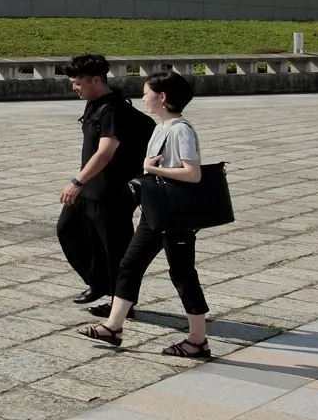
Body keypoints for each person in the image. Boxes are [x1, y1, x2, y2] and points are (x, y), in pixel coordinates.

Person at [78, 70, 212, 358]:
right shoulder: (161, 127)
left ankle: (198, 340)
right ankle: (113, 327)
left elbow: (193, 173)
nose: (143, 97)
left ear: (162, 97)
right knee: (129, 265)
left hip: (175, 215)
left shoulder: (180, 129)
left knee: (183, 274)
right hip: (155, 212)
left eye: (146, 92)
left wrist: (151, 169)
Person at [56, 54, 150, 314]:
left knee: (114, 248)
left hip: (112, 191)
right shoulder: (94, 104)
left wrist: (77, 181)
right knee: (68, 229)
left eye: (78, 82)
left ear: (96, 80)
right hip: (92, 187)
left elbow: (105, 152)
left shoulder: (113, 110)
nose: (74, 87)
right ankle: (98, 282)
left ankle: (122, 304)